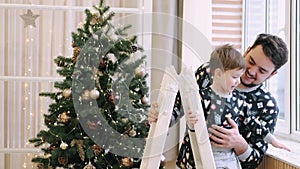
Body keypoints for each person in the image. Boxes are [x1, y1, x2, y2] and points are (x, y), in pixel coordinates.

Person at [148, 33, 290, 169]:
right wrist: (161, 118)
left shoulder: (267, 106)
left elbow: (254, 162)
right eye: (251, 62)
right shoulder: (210, 71)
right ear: (246, 52)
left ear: (273, 74)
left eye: (262, 71)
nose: (252, 71)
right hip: (189, 162)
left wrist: (240, 144)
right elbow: (179, 106)